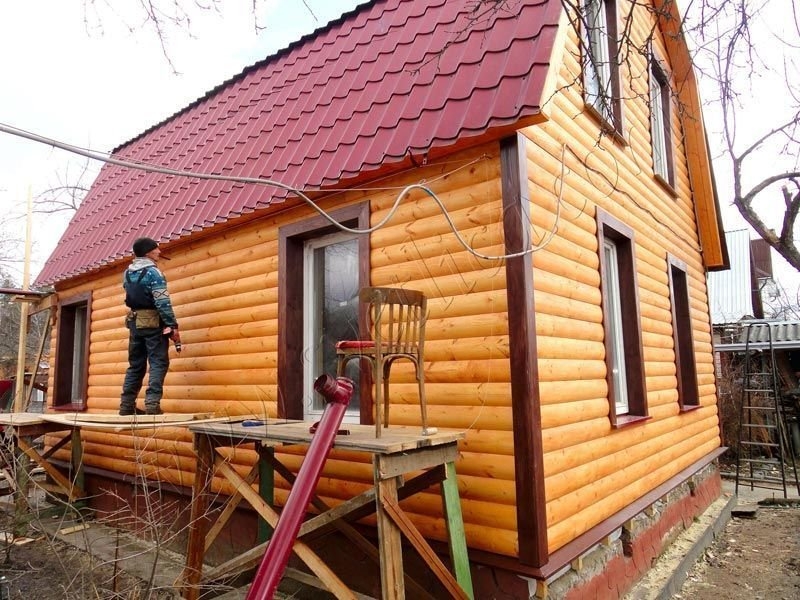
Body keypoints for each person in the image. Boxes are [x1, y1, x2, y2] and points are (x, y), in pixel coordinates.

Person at [119, 237, 181, 416]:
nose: (159, 252)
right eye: (156, 249)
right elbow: (162, 302)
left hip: (135, 322)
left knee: (135, 365)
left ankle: (126, 406)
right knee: (158, 362)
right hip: (154, 323)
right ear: (148, 252)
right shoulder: (154, 273)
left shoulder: (127, 273)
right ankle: (152, 405)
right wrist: (172, 324)